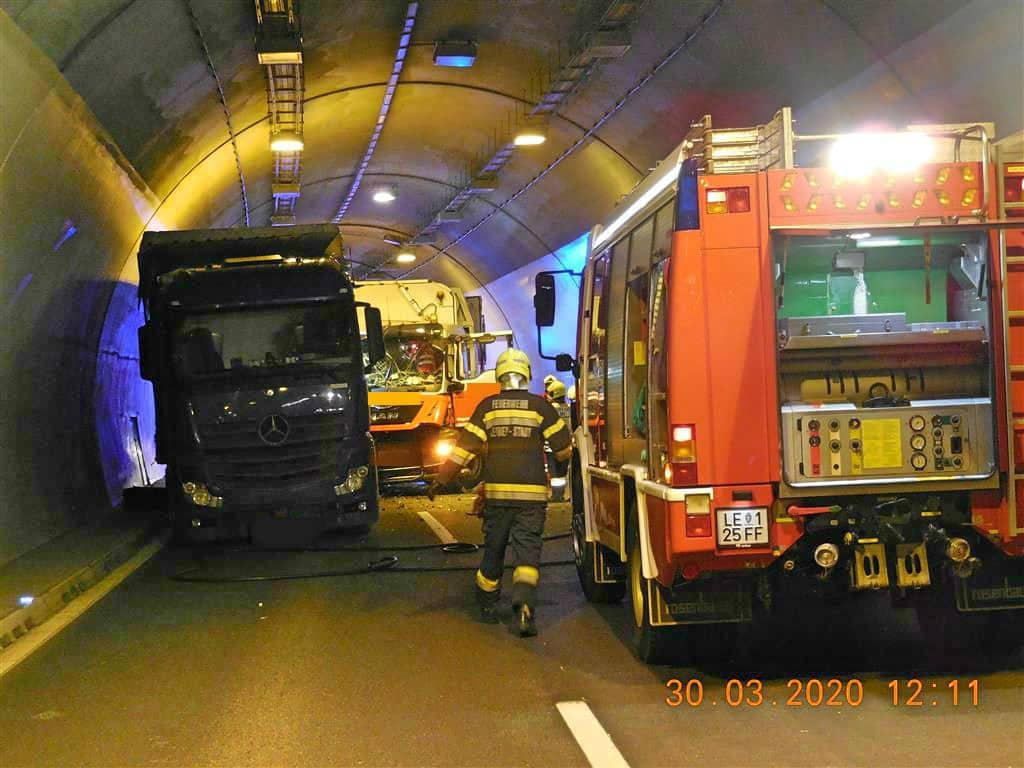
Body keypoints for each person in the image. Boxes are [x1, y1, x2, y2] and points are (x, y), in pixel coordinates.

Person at [428, 349, 571, 637]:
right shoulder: (540, 408)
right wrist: (562, 470)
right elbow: (563, 448)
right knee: (527, 553)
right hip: (531, 500)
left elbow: (464, 449)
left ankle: (487, 604)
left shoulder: (488, 408)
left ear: (499, 375)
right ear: (527, 374)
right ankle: (525, 603)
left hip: (497, 497)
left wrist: (441, 480)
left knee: (494, 550)